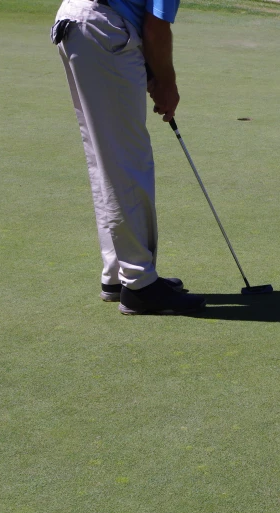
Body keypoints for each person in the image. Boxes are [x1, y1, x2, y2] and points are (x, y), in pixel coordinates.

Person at [51, 0, 205, 315]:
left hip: (77, 21)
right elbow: (156, 27)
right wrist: (167, 83)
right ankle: (140, 284)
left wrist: (150, 70)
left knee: (107, 159)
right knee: (127, 163)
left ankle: (118, 275)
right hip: (104, 29)